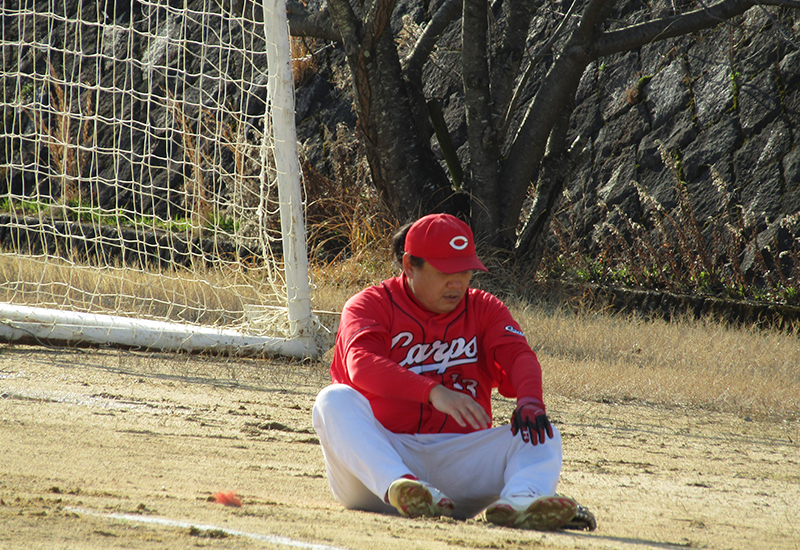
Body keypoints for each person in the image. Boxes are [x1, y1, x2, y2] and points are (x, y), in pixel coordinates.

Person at [312, 213, 592, 531]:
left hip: (458, 464)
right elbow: (360, 364)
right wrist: (433, 392)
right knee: (332, 399)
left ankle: (521, 500)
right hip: (377, 467)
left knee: (541, 432)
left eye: (465, 271)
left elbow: (518, 356)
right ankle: (400, 486)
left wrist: (530, 401)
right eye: (445, 271)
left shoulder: (484, 308)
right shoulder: (370, 305)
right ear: (408, 266)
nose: (457, 283)